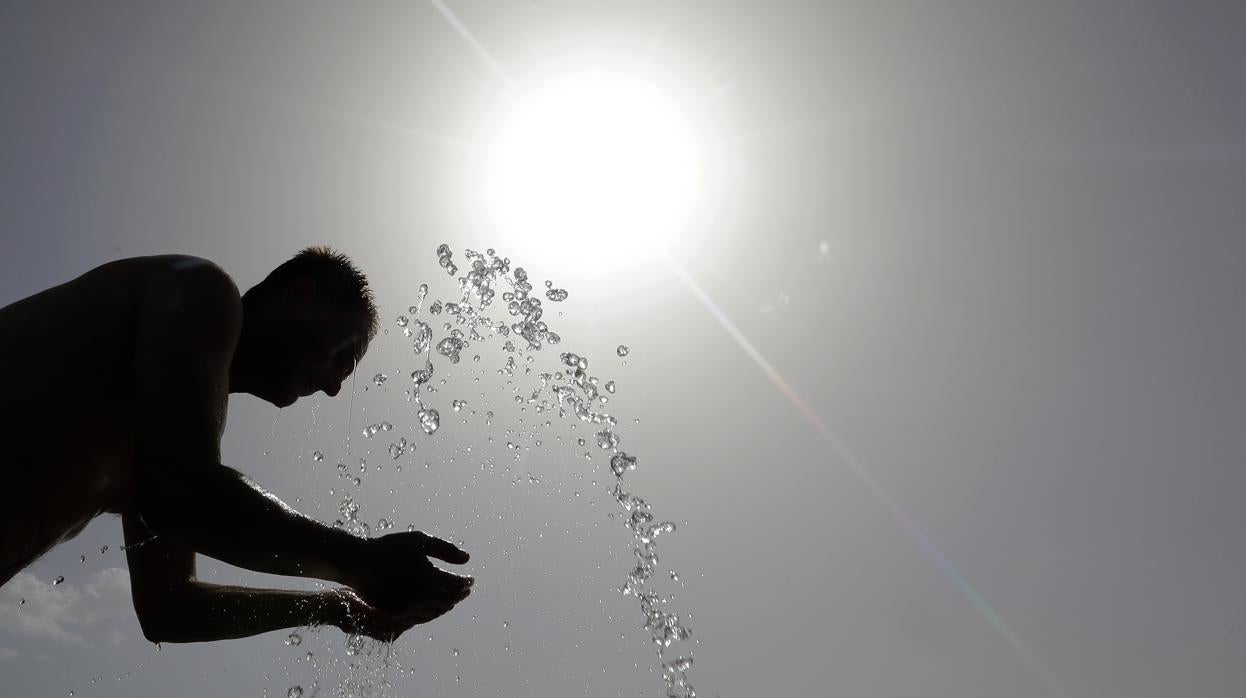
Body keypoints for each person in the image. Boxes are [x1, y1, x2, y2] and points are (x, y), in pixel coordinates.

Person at [0, 247, 472, 642]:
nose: (333, 388)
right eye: (343, 356)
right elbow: (184, 493)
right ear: (301, 294)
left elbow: (169, 607)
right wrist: (364, 562)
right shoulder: (199, 290)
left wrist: (334, 608)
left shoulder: (164, 431)